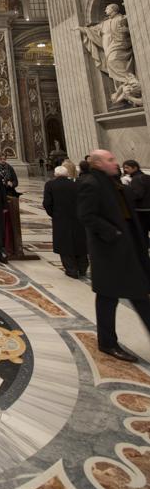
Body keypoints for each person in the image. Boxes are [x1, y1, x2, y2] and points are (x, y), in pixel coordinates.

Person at [78, 149, 150, 362]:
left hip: (129, 249)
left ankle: (107, 342)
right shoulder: (91, 183)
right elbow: (86, 216)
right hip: (109, 251)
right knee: (110, 299)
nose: (115, 163)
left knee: (139, 297)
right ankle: (107, 343)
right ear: (98, 163)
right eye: (110, 160)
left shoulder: (114, 182)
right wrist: (113, 233)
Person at [43, 165, 88, 278]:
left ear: (55, 174)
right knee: (79, 242)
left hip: (60, 218)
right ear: (67, 174)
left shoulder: (50, 185)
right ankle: (82, 268)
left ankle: (71, 269)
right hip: (77, 218)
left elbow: (47, 203)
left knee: (65, 244)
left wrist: (53, 214)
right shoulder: (76, 184)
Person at [122, 159, 150, 248]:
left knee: (142, 232)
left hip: (141, 210)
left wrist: (127, 191)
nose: (125, 170)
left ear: (135, 168)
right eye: (124, 167)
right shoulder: (146, 176)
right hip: (147, 208)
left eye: (127, 167)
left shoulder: (136, 179)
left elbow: (138, 195)